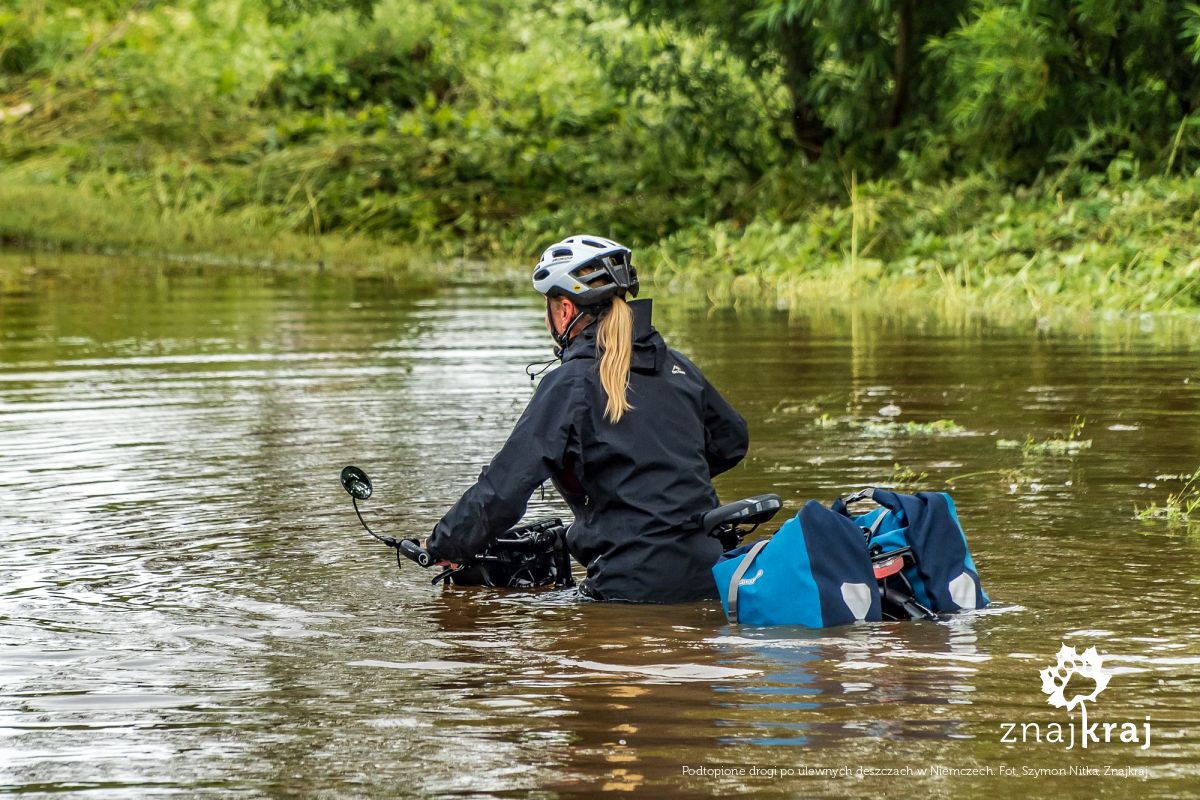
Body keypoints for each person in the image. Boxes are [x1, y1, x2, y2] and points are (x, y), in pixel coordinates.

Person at [426, 235, 749, 603]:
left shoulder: (571, 383)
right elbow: (732, 442)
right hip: (712, 578)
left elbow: (504, 488)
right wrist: (663, 481)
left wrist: (444, 544)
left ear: (564, 310)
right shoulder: (678, 367)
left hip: (628, 588)